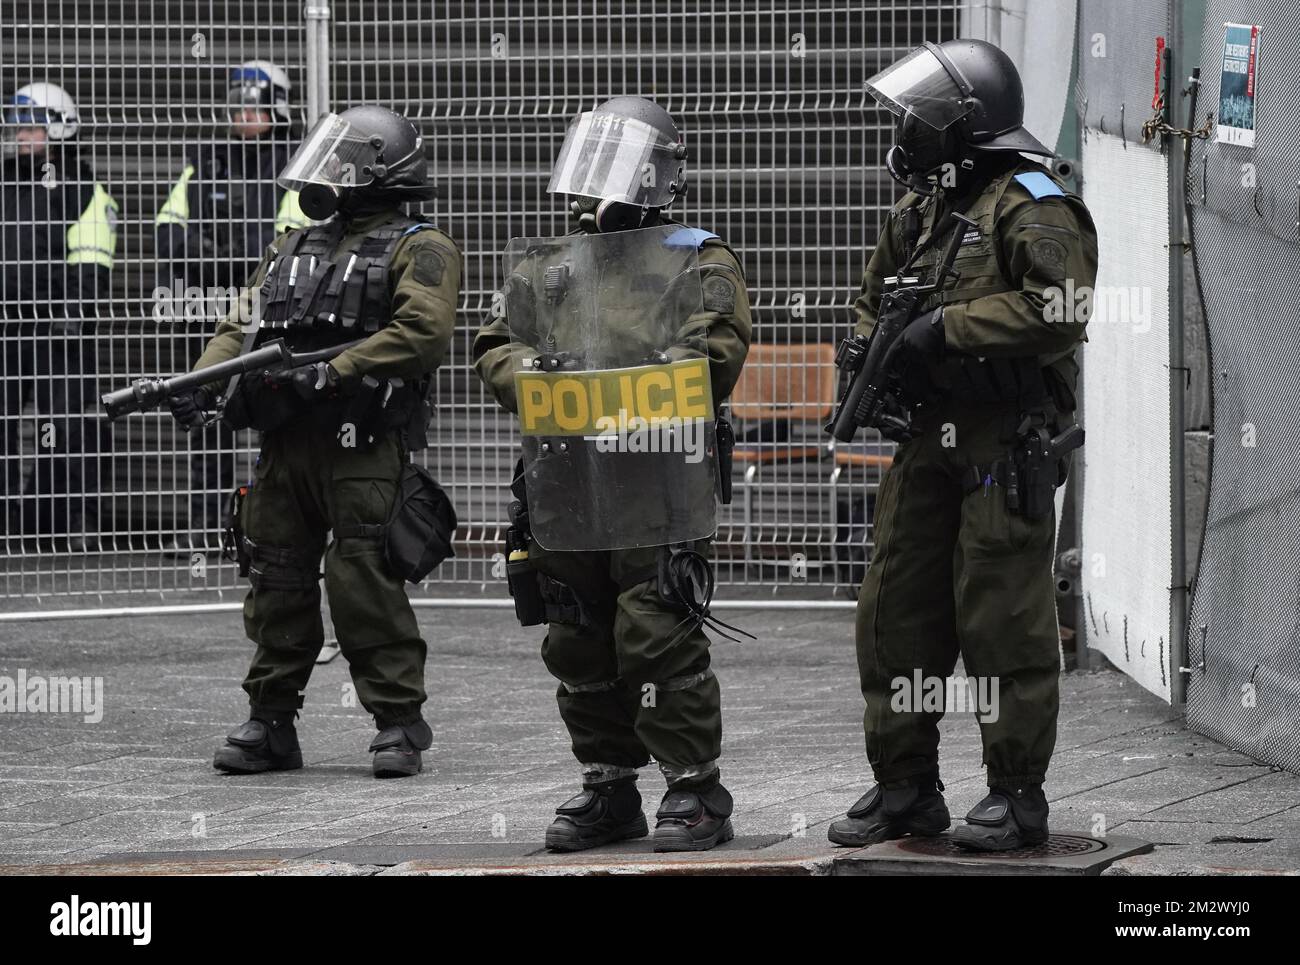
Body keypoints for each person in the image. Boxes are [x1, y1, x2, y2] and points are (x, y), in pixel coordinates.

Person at [826, 40, 1098, 851]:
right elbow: (872, 304)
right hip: (925, 443)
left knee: (1001, 619)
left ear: (964, 127)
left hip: (1000, 441)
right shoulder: (921, 212)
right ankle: (906, 786)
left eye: (920, 121)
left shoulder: (1034, 199)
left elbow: (1064, 307)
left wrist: (946, 329)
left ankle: (1017, 796)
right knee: (895, 613)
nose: (905, 135)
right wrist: (874, 356)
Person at [473, 96, 752, 852]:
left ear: (655, 174)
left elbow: (715, 350)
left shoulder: (697, 255)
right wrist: (531, 371)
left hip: (656, 480)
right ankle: (608, 786)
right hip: (567, 481)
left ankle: (696, 789)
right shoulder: (552, 263)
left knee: (655, 629)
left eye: (618, 164)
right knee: (575, 628)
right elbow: (495, 343)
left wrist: (646, 376)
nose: (599, 184)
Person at [168, 105, 461, 778]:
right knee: (275, 577)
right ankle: (271, 721)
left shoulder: (423, 246)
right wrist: (201, 381)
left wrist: (334, 370)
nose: (326, 176)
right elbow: (241, 324)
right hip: (284, 443)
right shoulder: (293, 244)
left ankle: (397, 722)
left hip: (360, 443)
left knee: (363, 578)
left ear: (378, 172)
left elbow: (424, 332)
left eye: (343, 164)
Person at [154, 60, 311, 549]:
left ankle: (279, 530)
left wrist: (213, 257)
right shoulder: (206, 158)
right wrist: (220, 258)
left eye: (252, 105)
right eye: (237, 104)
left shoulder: (294, 163)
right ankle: (206, 529)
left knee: (278, 414)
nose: (242, 114)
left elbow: (286, 243)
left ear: (276, 108)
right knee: (205, 417)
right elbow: (166, 230)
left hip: (269, 315)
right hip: (206, 311)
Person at [1, 81, 118, 547]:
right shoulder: (6, 180)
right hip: (6, 325)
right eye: (16, 125)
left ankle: (48, 527)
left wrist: (72, 311)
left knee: (62, 428)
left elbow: (93, 254)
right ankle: (9, 526)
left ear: (58, 127)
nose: (18, 134)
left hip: (55, 326)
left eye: (29, 126)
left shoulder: (81, 185)